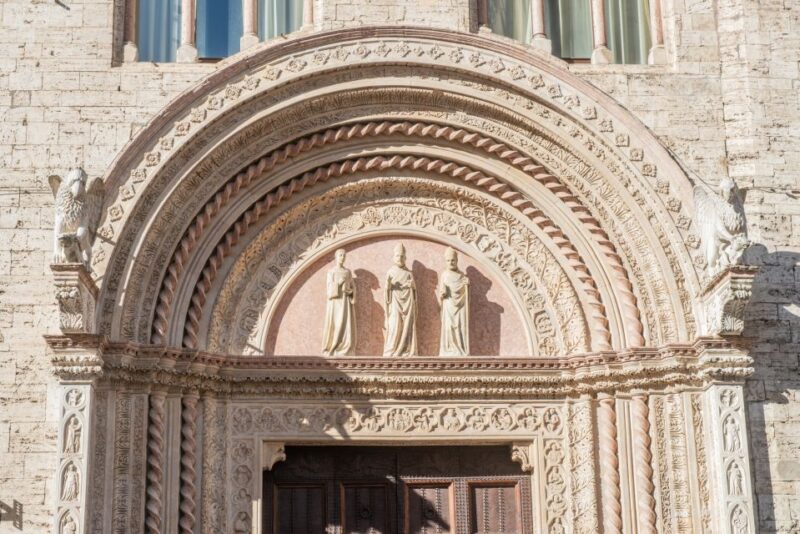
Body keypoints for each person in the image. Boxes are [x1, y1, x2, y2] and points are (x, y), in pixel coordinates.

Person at [383, 243, 417, 356]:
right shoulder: (390, 272)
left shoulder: (408, 274)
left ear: (405, 258)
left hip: (407, 305)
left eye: (402, 256)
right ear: (393, 257)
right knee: (394, 325)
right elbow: (386, 293)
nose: (400, 258)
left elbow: (414, 292)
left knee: (407, 327)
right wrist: (388, 286)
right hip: (395, 304)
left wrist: (412, 286)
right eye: (397, 256)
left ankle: (406, 350)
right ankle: (391, 350)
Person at [322, 248, 356, 356]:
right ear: (336, 257)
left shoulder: (347, 272)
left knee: (345, 323)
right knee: (336, 322)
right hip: (335, 303)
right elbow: (329, 290)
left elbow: (353, 287)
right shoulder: (331, 272)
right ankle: (333, 346)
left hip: (345, 302)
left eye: (344, 255)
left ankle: (345, 346)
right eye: (340, 255)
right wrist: (339, 284)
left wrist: (350, 292)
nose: (342, 257)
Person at [437, 247, 469, 356]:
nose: (450, 262)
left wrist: (467, 286)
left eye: (453, 260)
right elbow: (441, 292)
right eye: (448, 260)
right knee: (448, 327)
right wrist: (442, 294)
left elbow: (466, 295)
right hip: (449, 306)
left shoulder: (462, 276)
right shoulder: (444, 275)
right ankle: (449, 348)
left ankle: (460, 348)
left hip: (460, 308)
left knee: (460, 327)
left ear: (457, 260)